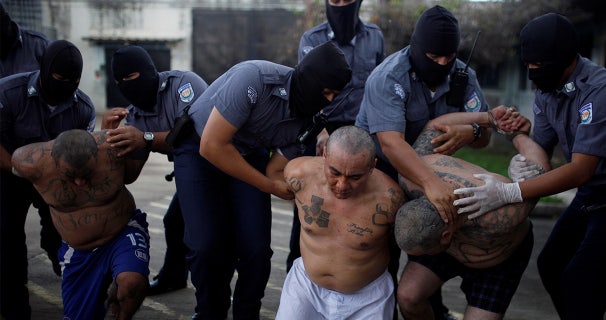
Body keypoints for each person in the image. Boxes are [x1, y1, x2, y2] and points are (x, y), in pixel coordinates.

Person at [453, 13, 606, 319]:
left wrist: (508, 192)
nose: (532, 72)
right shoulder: (547, 88)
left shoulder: (601, 91)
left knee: (582, 277)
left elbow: (581, 169)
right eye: (528, 64)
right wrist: (521, 152)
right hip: (592, 194)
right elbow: (541, 148)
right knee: (551, 264)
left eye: (539, 65)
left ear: (567, 58)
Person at [172, 40, 351, 319]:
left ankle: (247, 313)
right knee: (206, 246)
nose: (328, 100)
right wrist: (268, 187)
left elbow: (274, 171)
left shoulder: (309, 120)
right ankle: (210, 311)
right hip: (199, 150)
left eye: (335, 95)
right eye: (325, 91)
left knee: (256, 249)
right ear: (310, 79)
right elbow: (212, 146)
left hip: (248, 155)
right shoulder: (254, 79)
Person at [354, 5, 491, 320]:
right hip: (383, 168)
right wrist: (431, 184)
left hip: (434, 170)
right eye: (433, 58)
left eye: (449, 57)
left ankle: (436, 311)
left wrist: (470, 132)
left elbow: (486, 135)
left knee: (430, 245)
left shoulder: (463, 74)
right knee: (381, 253)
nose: (442, 64)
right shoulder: (389, 77)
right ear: (417, 49)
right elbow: (391, 143)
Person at [394, 122, 549, 320]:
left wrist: (516, 134)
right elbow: (436, 126)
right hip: (442, 243)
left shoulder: (501, 216)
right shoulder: (411, 178)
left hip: (497, 258)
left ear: (446, 235)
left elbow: (541, 170)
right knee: (408, 298)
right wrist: (486, 118)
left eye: (424, 253)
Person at [286, 0, 385, 272]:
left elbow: (377, 89)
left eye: (346, 0)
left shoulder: (375, 37)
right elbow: (307, 88)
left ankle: (355, 275)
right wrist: (322, 130)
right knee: (310, 210)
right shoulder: (312, 38)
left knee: (368, 211)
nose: (340, 5)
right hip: (322, 129)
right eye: (335, 0)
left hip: (362, 133)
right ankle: (301, 274)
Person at [102, 45, 209, 296]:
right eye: (119, 81)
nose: (126, 85)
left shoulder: (184, 84)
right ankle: (173, 277)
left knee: (206, 237)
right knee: (174, 221)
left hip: (224, 166)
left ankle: (210, 303)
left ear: (148, 71)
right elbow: (130, 174)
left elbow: (197, 133)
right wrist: (107, 138)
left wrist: (146, 138)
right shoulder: (135, 115)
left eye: (131, 77)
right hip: (190, 177)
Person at [0, 39, 95, 319]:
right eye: (59, 78)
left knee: (65, 234)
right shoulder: (8, 93)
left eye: (73, 80)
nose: (66, 85)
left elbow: (82, 154)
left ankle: (69, 279)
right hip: (8, 172)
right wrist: (23, 170)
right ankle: (14, 308)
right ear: (43, 71)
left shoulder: (83, 109)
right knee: (7, 240)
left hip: (54, 177)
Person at [11, 129, 149, 320]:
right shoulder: (29, 162)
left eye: (86, 174)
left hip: (122, 232)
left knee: (132, 282)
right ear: (53, 161)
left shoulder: (112, 150)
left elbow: (142, 144)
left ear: (97, 155)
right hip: (78, 250)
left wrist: (144, 137)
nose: (79, 182)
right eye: (70, 175)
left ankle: (122, 314)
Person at [276, 125, 405, 319]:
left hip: (368, 299)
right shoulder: (299, 173)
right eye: (334, 173)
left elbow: (399, 243)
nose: (342, 185)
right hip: (305, 288)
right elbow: (272, 176)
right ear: (325, 154)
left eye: (355, 177)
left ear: (372, 166)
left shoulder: (391, 199)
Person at [0, 2, 62, 278]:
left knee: (58, 224)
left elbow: (64, 94)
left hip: (45, 159)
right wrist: (14, 167)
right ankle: (14, 306)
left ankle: (64, 266)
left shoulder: (39, 47)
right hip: (4, 160)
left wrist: (50, 162)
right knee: (6, 233)